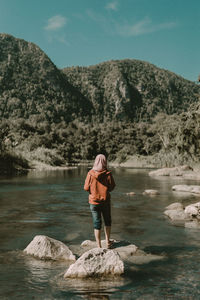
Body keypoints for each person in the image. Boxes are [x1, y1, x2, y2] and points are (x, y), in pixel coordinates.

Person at [84, 154, 115, 248]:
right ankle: (108, 242)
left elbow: (85, 188)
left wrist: (92, 192)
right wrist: (105, 191)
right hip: (105, 201)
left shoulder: (90, 173)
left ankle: (99, 245)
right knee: (107, 221)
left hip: (94, 202)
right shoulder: (108, 174)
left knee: (97, 223)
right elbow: (112, 186)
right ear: (105, 162)